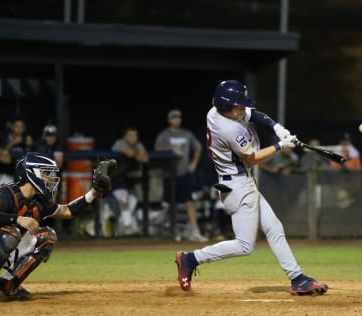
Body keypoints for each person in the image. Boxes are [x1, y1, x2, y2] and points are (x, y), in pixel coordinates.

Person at [175, 80, 328, 296]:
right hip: (237, 185)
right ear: (225, 106)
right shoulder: (226, 128)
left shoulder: (219, 111)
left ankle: (298, 278)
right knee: (245, 245)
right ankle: (191, 258)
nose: (242, 109)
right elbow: (251, 158)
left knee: (274, 228)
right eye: (237, 106)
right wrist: (279, 146)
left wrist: (277, 128)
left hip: (241, 182)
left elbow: (254, 114)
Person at [0, 153, 115, 305]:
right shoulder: (8, 192)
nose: (51, 178)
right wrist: (17, 218)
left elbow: (67, 211)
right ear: (32, 173)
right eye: (45, 173)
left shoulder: (39, 201)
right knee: (11, 232)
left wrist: (95, 191)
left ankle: (7, 284)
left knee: (47, 236)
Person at [154, 109, 207, 242]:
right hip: (169, 174)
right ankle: (173, 230)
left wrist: (193, 163)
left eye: (178, 118)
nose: (176, 120)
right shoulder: (164, 135)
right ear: (169, 120)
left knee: (190, 201)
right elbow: (157, 150)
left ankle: (194, 230)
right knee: (170, 203)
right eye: (173, 118)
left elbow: (199, 147)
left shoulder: (187, 134)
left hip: (185, 173)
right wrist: (170, 150)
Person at [111, 126, 149, 236]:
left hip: (129, 179)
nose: (133, 138)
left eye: (135, 135)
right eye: (130, 135)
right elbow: (128, 153)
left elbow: (145, 158)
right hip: (115, 177)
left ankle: (120, 227)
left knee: (132, 202)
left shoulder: (139, 145)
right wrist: (136, 154)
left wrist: (135, 154)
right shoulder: (120, 143)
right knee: (124, 200)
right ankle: (127, 227)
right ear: (125, 136)